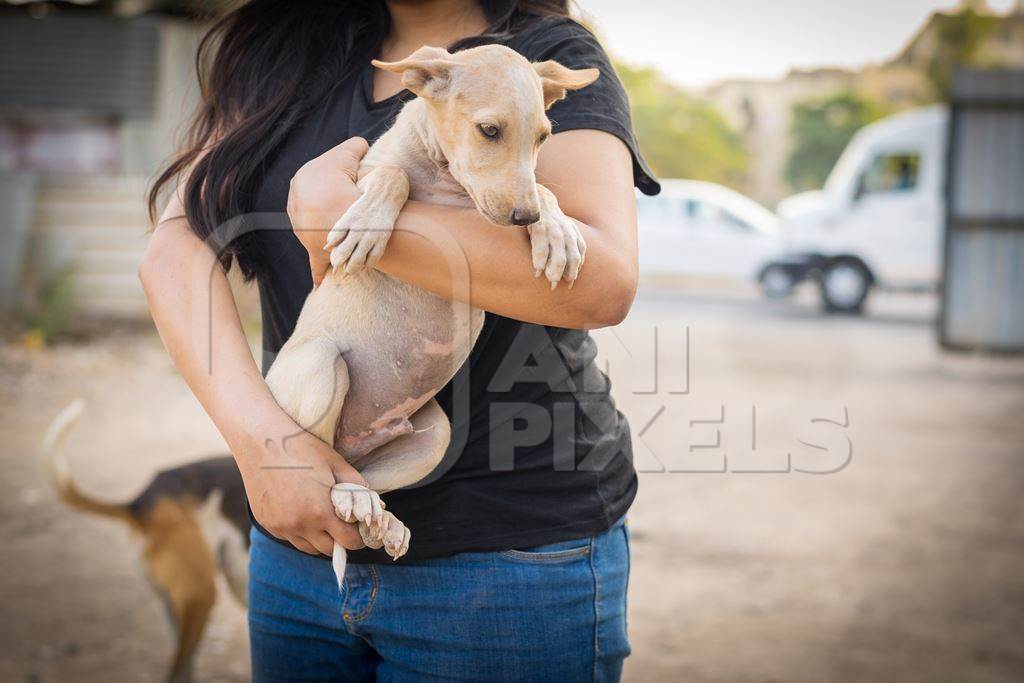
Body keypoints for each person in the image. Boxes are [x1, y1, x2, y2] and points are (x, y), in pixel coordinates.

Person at [141, 0, 659, 680]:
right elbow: (174, 249)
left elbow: (602, 285)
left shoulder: (543, 53)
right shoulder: (284, 50)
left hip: (508, 564)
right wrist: (264, 446)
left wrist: (352, 221)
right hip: (299, 546)